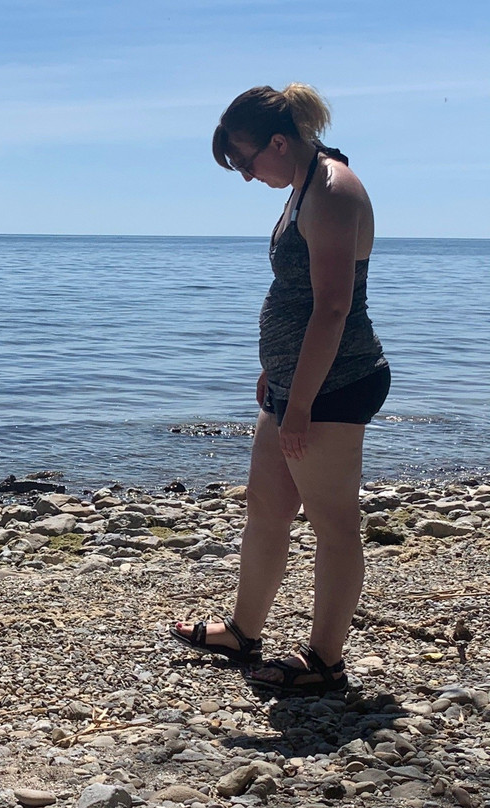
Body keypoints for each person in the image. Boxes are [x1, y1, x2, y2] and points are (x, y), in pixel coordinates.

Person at [170, 83, 390, 696]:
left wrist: (300, 404)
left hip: (334, 385)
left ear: (278, 141)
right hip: (296, 382)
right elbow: (297, 294)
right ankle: (243, 631)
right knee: (266, 510)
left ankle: (324, 660)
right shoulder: (301, 186)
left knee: (333, 524)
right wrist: (277, 370)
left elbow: (334, 306)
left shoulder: (333, 190)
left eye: (245, 160)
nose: (245, 175)